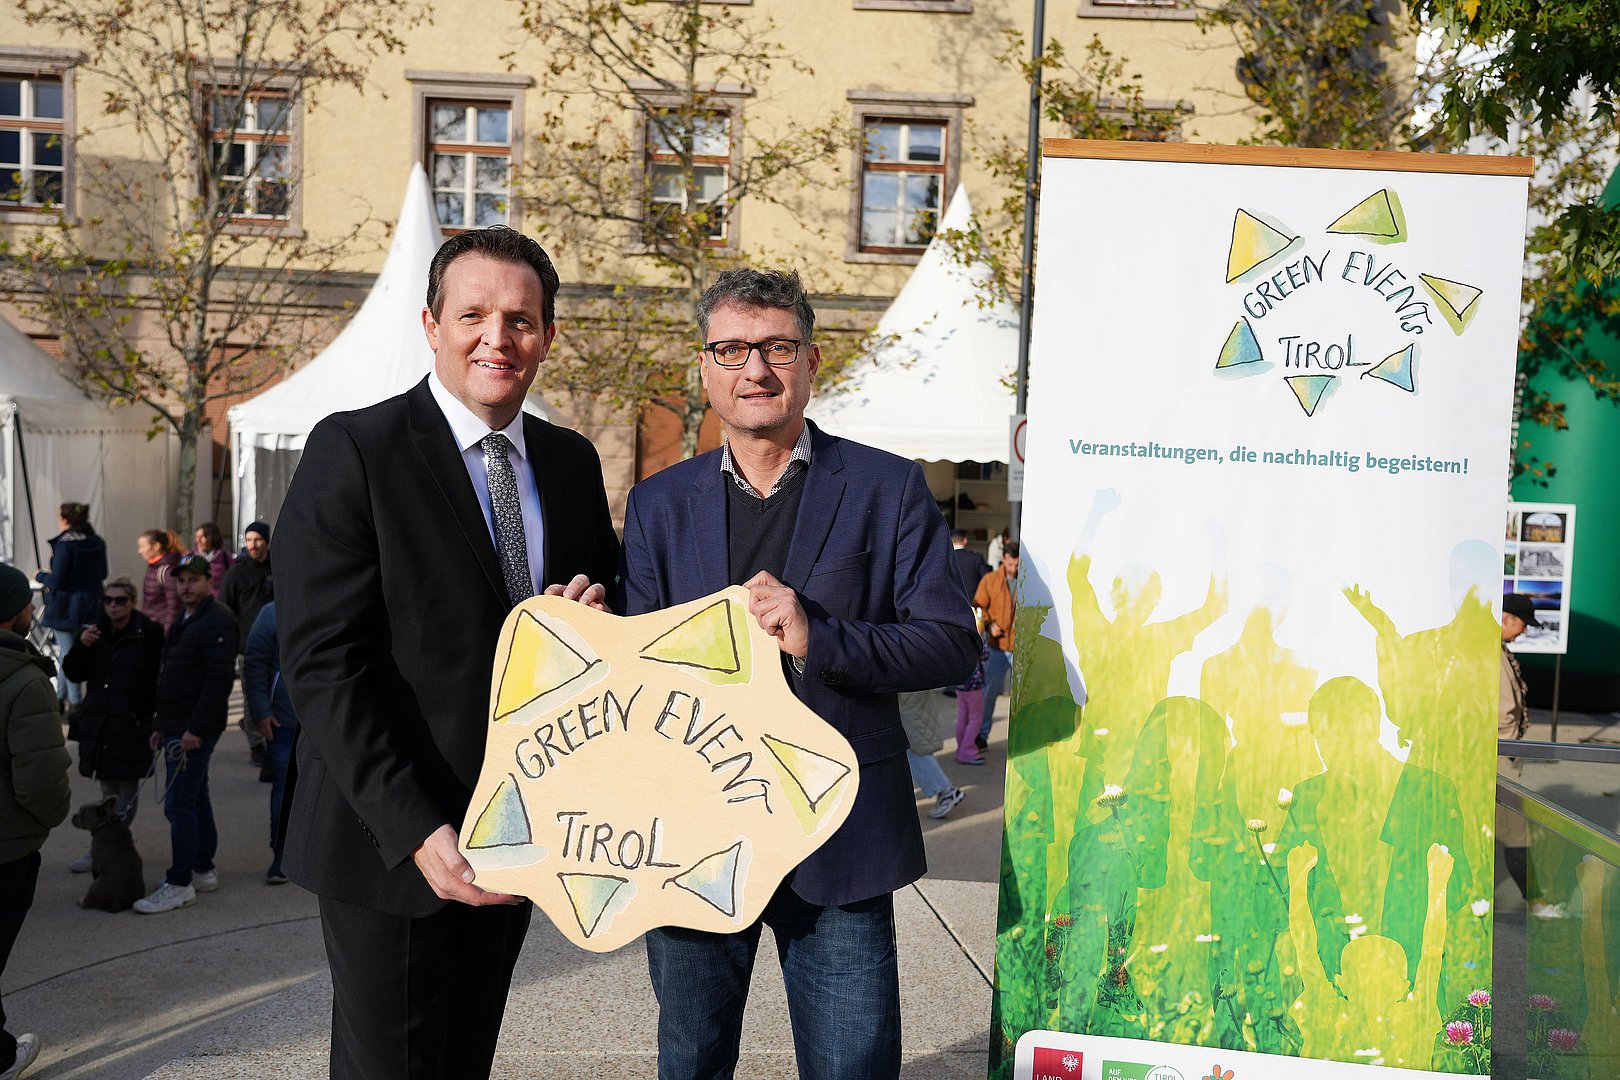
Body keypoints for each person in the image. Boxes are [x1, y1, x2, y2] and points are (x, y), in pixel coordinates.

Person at [276, 224, 619, 1080]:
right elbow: (325, 666)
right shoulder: (356, 449)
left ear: (547, 335)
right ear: (432, 325)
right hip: (393, 842)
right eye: (473, 315)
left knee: (465, 1062)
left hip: (521, 833)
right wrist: (417, 829)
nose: (497, 339)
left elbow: (606, 628)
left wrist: (597, 617)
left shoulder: (571, 463)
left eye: (521, 320)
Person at [621, 268, 978, 1079]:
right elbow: (638, 669)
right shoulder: (658, 505)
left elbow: (951, 645)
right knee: (691, 1062)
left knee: (852, 1066)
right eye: (732, 349)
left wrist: (823, 637)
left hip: (839, 836)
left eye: (778, 347)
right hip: (695, 840)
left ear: (812, 361)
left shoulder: (888, 487)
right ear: (705, 368)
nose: (755, 369)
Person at [133, 555, 238, 914]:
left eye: (193, 579)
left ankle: (180, 883)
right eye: (181, 580)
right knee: (195, 797)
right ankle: (202, 869)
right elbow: (172, 674)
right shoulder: (186, 616)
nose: (186, 586)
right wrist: (162, 726)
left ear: (209, 580)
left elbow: (218, 682)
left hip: (194, 728)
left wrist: (196, 729)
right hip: (177, 724)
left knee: (179, 804)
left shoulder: (217, 620)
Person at [0, 563, 71, 1079]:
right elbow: (42, 779)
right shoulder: (24, 680)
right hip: (7, 850)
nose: (33, 608)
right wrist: (49, 817)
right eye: (27, 601)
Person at [61, 576, 164, 874]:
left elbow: (156, 679)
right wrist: (82, 646)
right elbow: (73, 672)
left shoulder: (149, 632)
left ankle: (109, 844)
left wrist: (148, 717)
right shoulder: (95, 632)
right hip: (101, 721)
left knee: (126, 792)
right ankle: (107, 846)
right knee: (108, 787)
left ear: (133, 602)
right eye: (108, 600)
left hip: (131, 722)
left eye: (120, 600)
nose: (113, 606)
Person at [35, 502, 107, 712]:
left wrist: (40, 575)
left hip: (65, 608)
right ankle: (60, 697)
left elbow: (57, 581)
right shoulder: (96, 542)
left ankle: (75, 701)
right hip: (90, 604)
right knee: (73, 652)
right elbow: (103, 573)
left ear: (65, 520)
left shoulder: (65, 545)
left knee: (68, 655)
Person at [242, 602, 296, 884]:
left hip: (326, 721)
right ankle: (282, 855)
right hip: (284, 722)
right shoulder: (272, 612)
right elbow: (255, 663)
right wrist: (261, 711)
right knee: (285, 789)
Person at [220, 521, 273, 769]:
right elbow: (224, 609)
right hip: (247, 647)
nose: (253, 545)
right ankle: (257, 745)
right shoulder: (236, 573)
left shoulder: (277, 568)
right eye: (249, 540)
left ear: (267, 542)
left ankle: (268, 737)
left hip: (276, 646)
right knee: (252, 696)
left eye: (258, 539)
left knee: (274, 695)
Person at [1499, 592, 1536, 899]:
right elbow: (1501, 713)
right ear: (1505, 619)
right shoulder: (1490, 655)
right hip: (1500, 753)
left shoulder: (1499, 651)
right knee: (1515, 831)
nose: (1524, 631)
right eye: (1523, 624)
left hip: (1505, 751)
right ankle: (1537, 900)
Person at [974, 541, 1019, 750]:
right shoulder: (990, 580)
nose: (1014, 569)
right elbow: (978, 607)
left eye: (1017, 565)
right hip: (997, 647)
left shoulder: (1029, 581)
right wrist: (989, 624)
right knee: (990, 694)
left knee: (1024, 697)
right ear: (1003, 560)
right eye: (1010, 564)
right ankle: (982, 735)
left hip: (1021, 648)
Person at [137, 529, 182, 632]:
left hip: (161, 629)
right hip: (150, 627)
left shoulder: (166, 571)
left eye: (143, 547)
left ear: (156, 546)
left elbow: (174, 606)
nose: (139, 551)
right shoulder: (152, 567)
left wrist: (166, 633)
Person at [189, 522, 235, 593]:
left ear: (213, 537)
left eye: (202, 537)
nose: (198, 540)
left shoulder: (225, 557)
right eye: (197, 537)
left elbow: (233, 581)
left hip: (219, 598)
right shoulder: (190, 558)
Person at [949, 528, 989, 604]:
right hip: (972, 603)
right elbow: (986, 578)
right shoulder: (976, 558)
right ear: (965, 540)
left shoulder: (946, 559)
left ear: (950, 541)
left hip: (951, 604)